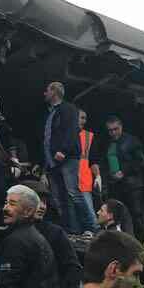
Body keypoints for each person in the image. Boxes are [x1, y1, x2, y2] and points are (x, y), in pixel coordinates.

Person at [42, 81, 96, 234]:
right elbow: (48, 138)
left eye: (47, 90)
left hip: (67, 158)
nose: (45, 93)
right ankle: (71, 230)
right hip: (53, 161)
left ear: (54, 92)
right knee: (62, 198)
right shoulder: (52, 112)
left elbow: (72, 131)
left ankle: (92, 227)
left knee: (74, 193)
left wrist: (64, 151)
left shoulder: (68, 109)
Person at [101, 116, 144, 241]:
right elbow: (105, 164)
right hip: (116, 187)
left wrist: (124, 172)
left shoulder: (131, 141)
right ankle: (128, 242)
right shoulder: (108, 144)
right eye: (110, 130)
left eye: (116, 129)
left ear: (121, 126)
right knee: (120, 216)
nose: (113, 132)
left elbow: (141, 162)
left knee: (136, 214)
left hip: (132, 185)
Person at [35, 197, 82, 288]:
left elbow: (73, 269)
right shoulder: (8, 230)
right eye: (38, 201)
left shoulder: (55, 233)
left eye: (44, 202)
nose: (43, 206)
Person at [77, 109, 100, 229]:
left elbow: (94, 160)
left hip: (84, 181)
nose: (83, 121)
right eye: (81, 117)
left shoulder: (89, 136)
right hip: (68, 181)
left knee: (90, 215)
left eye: (84, 118)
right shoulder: (64, 135)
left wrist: (98, 176)